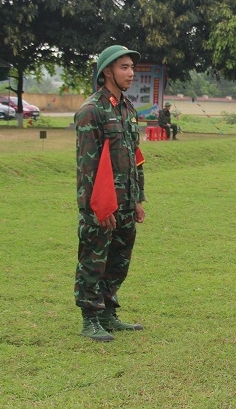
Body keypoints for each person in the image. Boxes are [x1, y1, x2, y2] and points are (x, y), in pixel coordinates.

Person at [74, 45, 146, 342]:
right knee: (94, 259)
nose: (131, 73)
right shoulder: (92, 110)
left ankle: (108, 312)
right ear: (107, 72)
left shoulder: (127, 108)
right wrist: (97, 208)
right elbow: (87, 166)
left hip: (127, 201)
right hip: (103, 203)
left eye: (131, 68)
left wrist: (138, 199)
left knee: (119, 260)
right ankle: (90, 318)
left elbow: (136, 157)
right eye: (124, 68)